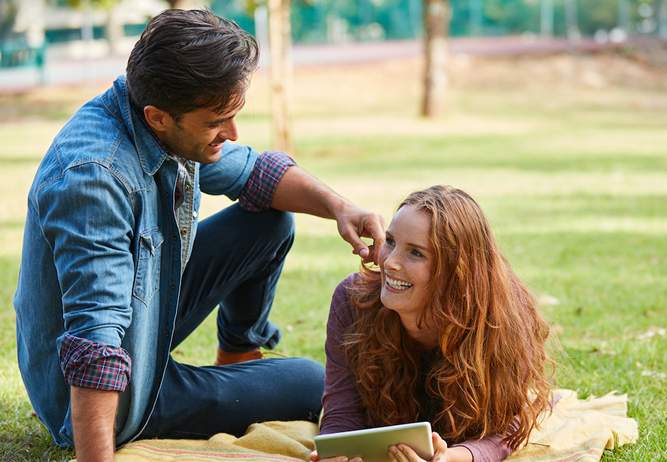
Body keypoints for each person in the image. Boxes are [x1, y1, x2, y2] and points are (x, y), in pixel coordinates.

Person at [13, 9, 384, 461]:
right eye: (217, 122)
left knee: (269, 219)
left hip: (146, 316)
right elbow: (96, 339)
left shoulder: (158, 103)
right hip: (103, 399)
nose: (231, 133)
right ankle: (199, 393)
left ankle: (237, 357)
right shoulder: (93, 178)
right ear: (159, 118)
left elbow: (254, 173)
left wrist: (341, 208)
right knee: (312, 383)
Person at [315, 186, 552, 462]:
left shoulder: (504, 316)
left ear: (457, 271)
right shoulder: (352, 301)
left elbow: (508, 427)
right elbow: (341, 414)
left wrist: (454, 457)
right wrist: (335, 454)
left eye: (415, 253)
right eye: (390, 241)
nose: (390, 262)